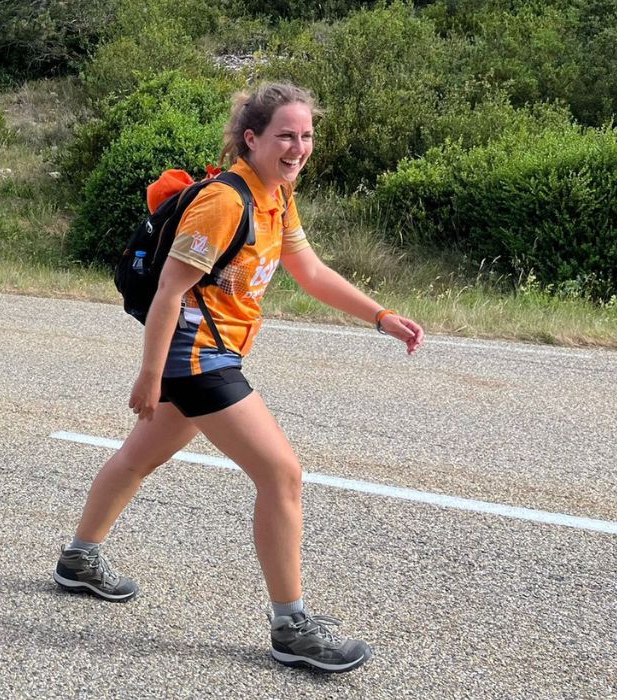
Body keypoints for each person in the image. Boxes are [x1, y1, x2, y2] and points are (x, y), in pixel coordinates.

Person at [53, 82, 424, 673]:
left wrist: (379, 315)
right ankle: (291, 626)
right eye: (285, 135)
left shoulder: (277, 195)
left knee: (136, 459)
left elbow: (308, 269)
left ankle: (78, 558)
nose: (298, 146)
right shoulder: (226, 202)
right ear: (250, 139)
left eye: (305, 135)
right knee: (281, 474)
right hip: (197, 357)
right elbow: (170, 290)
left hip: (211, 354)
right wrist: (151, 375)